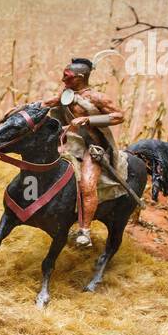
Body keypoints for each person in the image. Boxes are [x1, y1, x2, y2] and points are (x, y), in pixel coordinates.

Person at [40, 57, 125, 249]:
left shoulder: (97, 98)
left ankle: (84, 231)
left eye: (67, 77)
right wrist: (23, 109)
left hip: (90, 147)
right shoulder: (66, 93)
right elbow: (48, 103)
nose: (63, 80)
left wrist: (88, 119)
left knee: (87, 184)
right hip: (68, 143)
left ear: (80, 77)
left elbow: (119, 116)